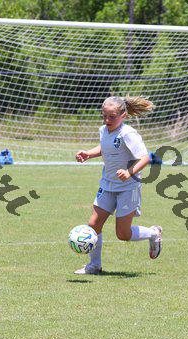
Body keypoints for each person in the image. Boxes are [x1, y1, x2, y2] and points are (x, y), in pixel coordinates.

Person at [74, 95, 162, 275]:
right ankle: (94, 266)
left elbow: (145, 157)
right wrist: (88, 154)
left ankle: (153, 233)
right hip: (107, 184)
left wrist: (129, 172)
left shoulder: (128, 133)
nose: (107, 120)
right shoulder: (103, 130)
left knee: (123, 234)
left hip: (129, 187)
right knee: (93, 224)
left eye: (112, 117)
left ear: (123, 116)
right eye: (104, 116)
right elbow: (105, 147)